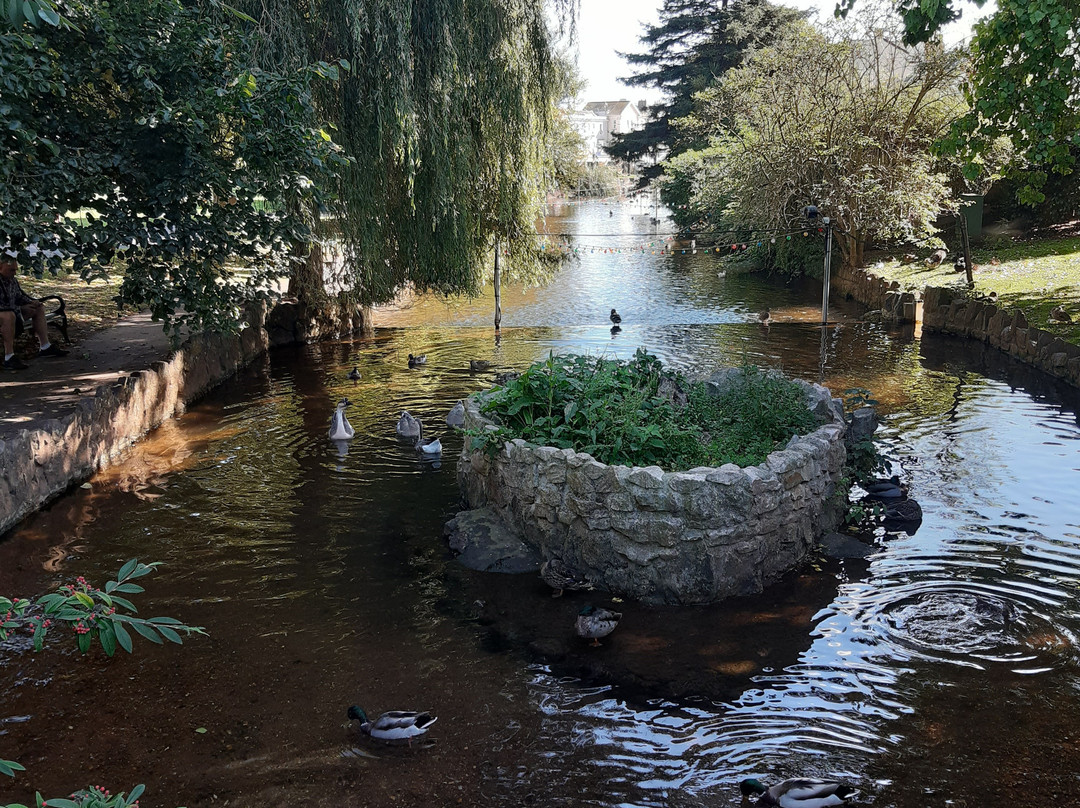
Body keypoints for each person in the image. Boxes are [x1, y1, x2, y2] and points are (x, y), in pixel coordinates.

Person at [1, 247, 69, 370]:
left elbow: (20, 296)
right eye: (11, 270)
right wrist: (20, 308)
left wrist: (32, 302)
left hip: (13, 312)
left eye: (16, 270)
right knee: (8, 316)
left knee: (38, 308)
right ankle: (9, 357)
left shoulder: (12, 280)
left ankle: (45, 346)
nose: (14, 273)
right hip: (6, 315)